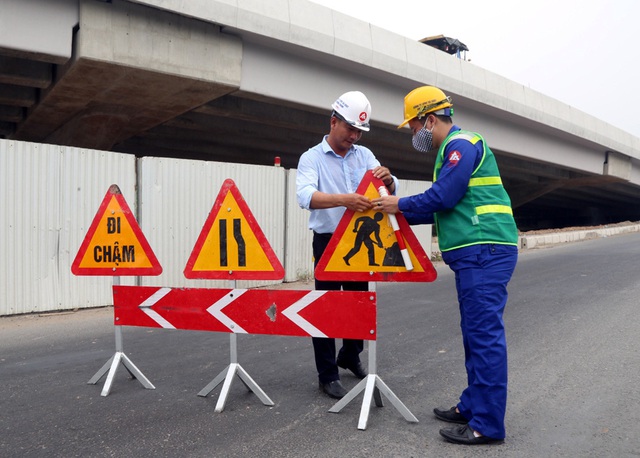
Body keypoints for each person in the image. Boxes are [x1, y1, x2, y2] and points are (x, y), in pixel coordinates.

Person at [373, 86, 518, 445]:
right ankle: (472, 405)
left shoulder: (461, 145)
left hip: (485, 250)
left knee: (484, 338)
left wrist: (397, 204)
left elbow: (445, 196)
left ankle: (486, 424)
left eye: (412, 126)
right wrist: (399, 209)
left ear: (430, 119)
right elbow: (440, 206)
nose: (412, 134)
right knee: (474, 335)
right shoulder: (451, 151)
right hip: (477, 254)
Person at [296, 90, 398, 399]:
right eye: (350, 129)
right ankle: (327, 374)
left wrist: (390, 180)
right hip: (327, 241)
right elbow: (304, 196)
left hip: (359, 238)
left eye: (359, 132)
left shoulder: (364, 156)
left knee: (358, 305)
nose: (354, 136)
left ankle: (350, 355)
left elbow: (386, 191)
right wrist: (344, 200)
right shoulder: (311, 157)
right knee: (326, 307)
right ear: (333, 122)